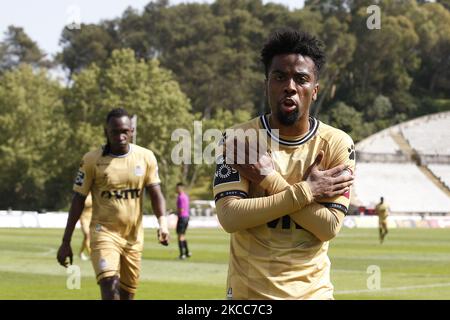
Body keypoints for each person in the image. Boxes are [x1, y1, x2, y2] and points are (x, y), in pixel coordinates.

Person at [213, 29, 355, 300]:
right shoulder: (238, 140)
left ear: (314, 91)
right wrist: (307, 192)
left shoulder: (337, 143)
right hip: (249, 296)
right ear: (267, 84)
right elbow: (230, 217)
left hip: (313, 294)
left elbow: (327, 227)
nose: (290, 86)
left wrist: (268, 177)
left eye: (301, 79)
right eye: (280, 77)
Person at [57, 107, 169, 300]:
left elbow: (155, 192)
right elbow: (78, 200)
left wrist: (163, 223)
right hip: (103, 233)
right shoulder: (92, 160)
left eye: (124, 131)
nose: (120, 136)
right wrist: (66, 241)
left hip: (133, 237)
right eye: (114, 132)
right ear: (106, 132)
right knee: (109, 288)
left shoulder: (146, 157)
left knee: (126, 296)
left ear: (131, 131)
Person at [176, 182, 191, 259]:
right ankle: (187, 252)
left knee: (180, 236)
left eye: (177, 188)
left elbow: (181, 209)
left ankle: (182, 254)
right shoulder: (186, 196)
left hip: (182, 217)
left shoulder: (180, 197)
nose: (176, 189)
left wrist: (176, 213)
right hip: (187, 217)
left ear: (180, 188)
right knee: (183, 235)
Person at [78, 193, 92, 261]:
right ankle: (91, 254)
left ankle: (80, 253)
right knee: (87, 235)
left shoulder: (94, 194)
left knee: (87, 237)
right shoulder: (83, 196)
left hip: (91, 218)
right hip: (84, 218)